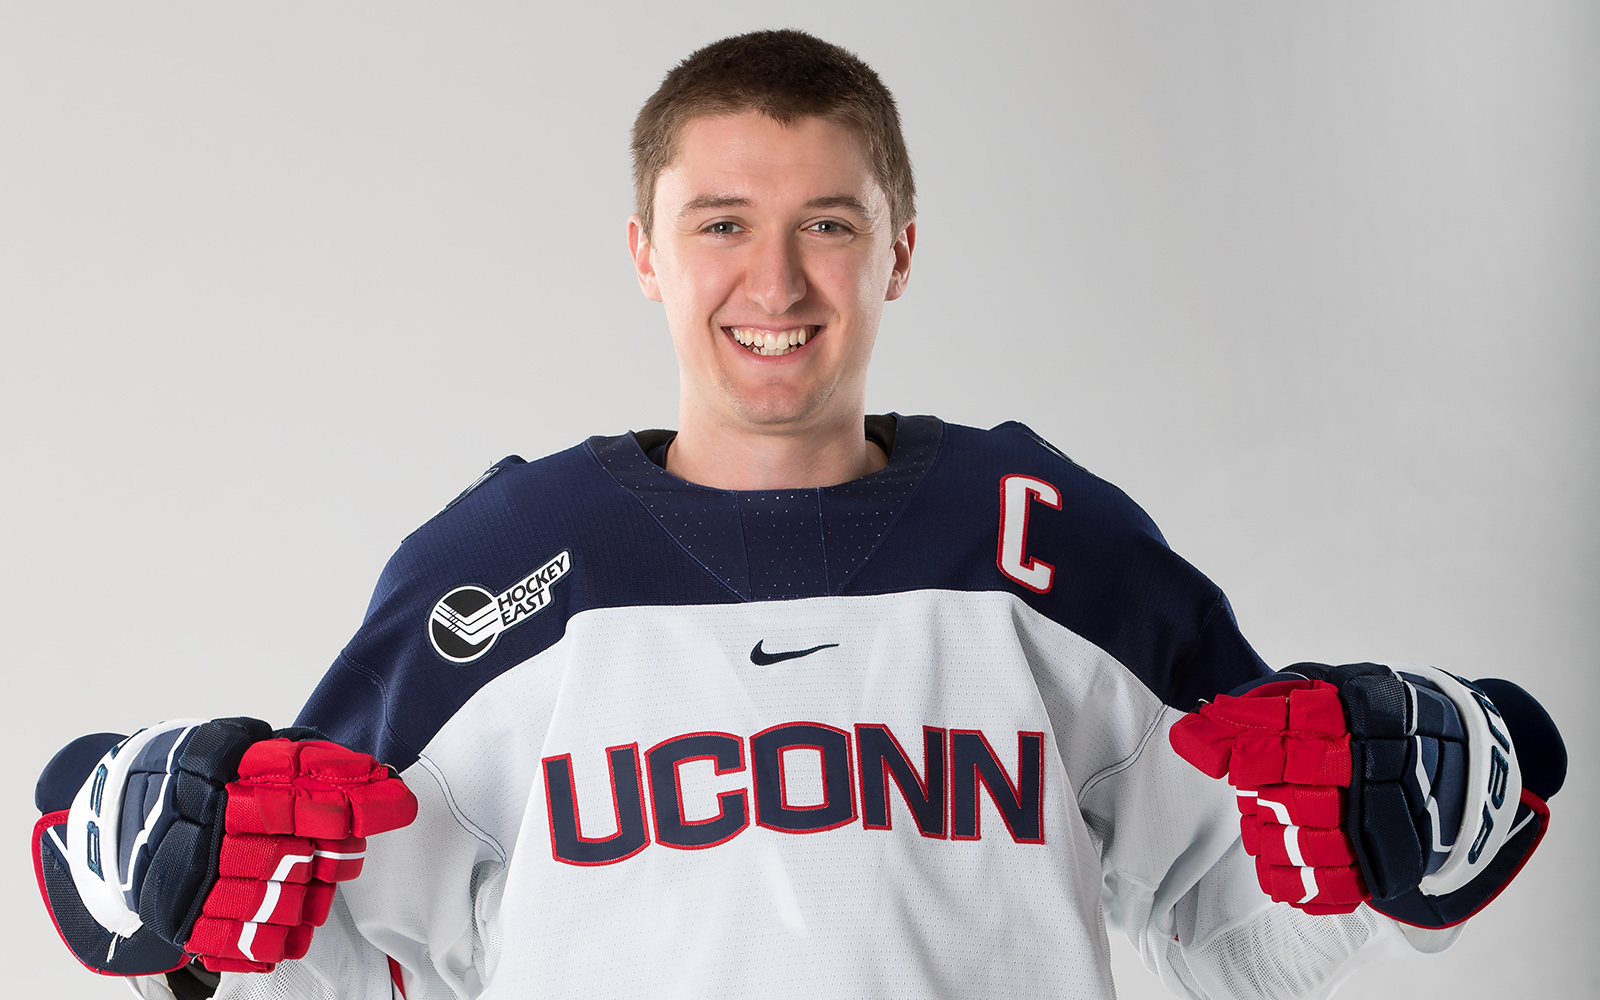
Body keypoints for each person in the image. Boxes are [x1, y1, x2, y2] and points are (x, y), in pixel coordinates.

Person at [30, 29, 1564, 1000]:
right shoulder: (491, 576)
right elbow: (335, 947)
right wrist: (175, 899)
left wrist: (1392, 848)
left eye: (828, 226)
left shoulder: (1046, 539)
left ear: (898, 253)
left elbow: (1240, 928)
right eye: (723, 227)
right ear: (645, 251)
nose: (774, 286)